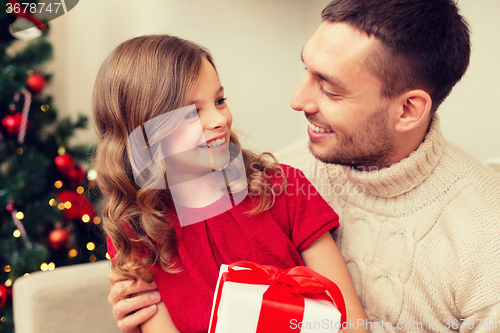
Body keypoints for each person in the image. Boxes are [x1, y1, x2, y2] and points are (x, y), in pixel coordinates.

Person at [108, 0, 500, 331]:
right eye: (306, 71)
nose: (297, 100)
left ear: (408, 109)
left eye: (330, 88)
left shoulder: (485, 240)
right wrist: (138, 308)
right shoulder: (286, 167)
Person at [94, 35, 367, 333]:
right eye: (191, 113)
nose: (220, 119)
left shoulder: (281, 188)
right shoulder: (135, 230)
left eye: (219, 101)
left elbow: (349, 317)